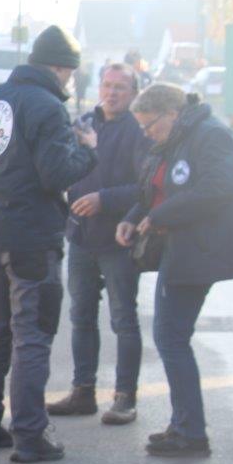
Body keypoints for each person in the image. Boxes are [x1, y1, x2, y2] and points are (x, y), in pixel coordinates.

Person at [0, 24, 98, 463]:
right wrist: (87, 149)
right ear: (61, 69)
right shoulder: (47, 107)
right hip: (35, 239)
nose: (71, 83)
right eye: (71, 74)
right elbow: (57, 173)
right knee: (33, 334)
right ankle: (30, 434)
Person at [116, 84, 233, 458]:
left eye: (150, 126)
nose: (146, 134)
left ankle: (190, 433)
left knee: (171, 337)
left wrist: (159, 216)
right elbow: (153, 190)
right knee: (170, 336)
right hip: (181, 249)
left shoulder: (212, 136)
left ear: (171, 113)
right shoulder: (181, 136)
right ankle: (183, 425)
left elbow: (219, 189)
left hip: (198, 251)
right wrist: (134, 216)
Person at [48, 63, 150, 424]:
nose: (112, 93)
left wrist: (104, 199)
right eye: (107, 85)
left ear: (134, 92)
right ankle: (83, 392)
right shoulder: (83, 123)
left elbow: (146, 187)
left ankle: (125, 397)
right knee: (81, 317)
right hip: (80, 237)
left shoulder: (141, 130)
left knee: (123, 319)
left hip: (119, 238)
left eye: (120, 87)